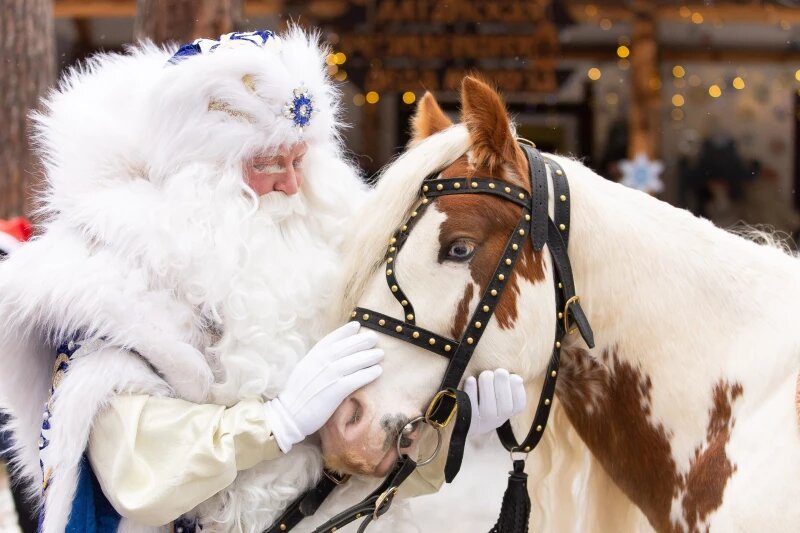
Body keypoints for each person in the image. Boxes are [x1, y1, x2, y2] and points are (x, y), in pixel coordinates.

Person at [0, 29, 525, 533]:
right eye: (271, 162)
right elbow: (133, 468)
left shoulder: (329, 244)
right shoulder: (114, 278)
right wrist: (277, 423)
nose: (293, 184)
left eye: (302, 159)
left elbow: (361, 462)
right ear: (202, 165)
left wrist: (440, 430)